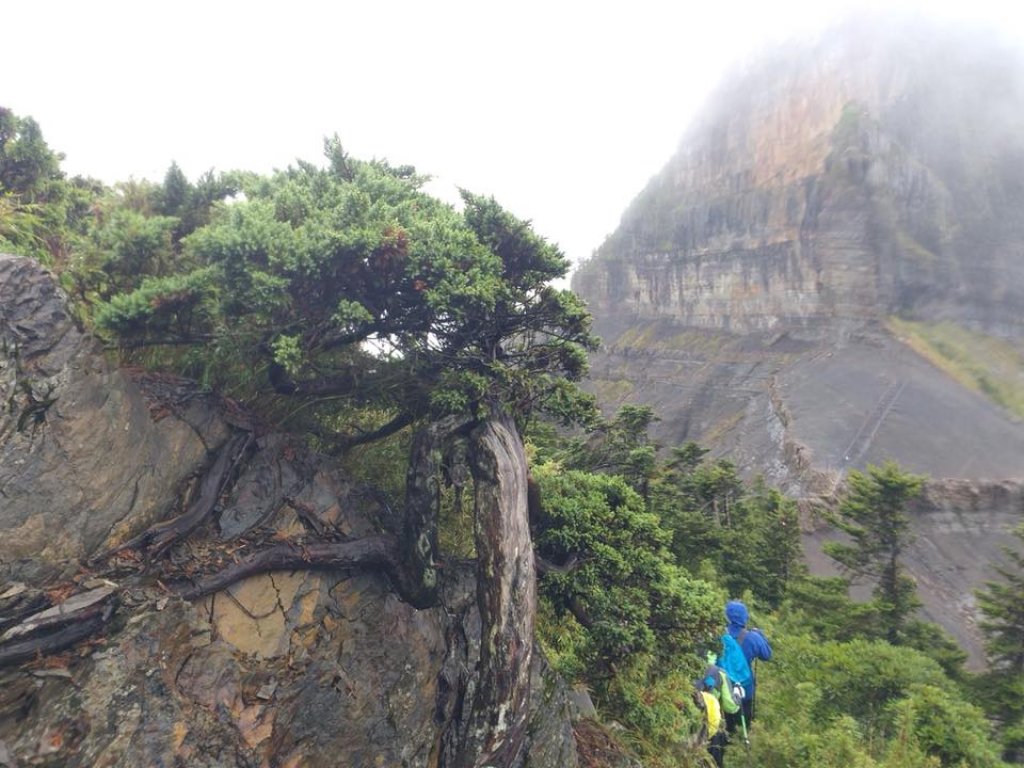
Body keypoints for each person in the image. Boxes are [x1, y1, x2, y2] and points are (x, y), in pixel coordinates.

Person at [723, 599, 772, 735]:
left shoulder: (718, 635)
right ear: (745, 617)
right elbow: (767, 655)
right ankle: (740, 747)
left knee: (723, 726)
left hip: (722, 687)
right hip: (745, 689)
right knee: (742, 729)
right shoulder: (752, 637)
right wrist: (760, 635)